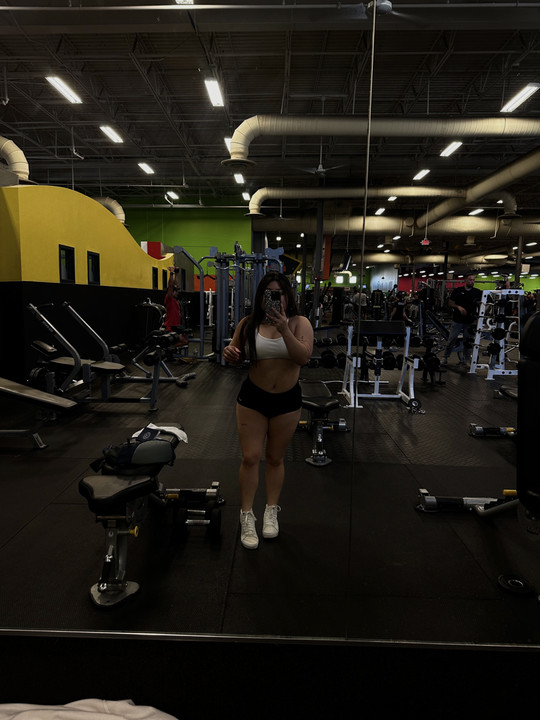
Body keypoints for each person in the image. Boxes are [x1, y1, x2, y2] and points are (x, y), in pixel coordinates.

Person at [222, 271, 314, 549]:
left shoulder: (299, 323)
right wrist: (230, 353)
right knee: (250, 457)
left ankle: (271, 511)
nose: (274, 298)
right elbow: (234, 354)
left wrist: (284, 328)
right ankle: (246, 515)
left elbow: (303, 357)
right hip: (253, 398)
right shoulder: (248, 323)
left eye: (279, 293)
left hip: (287, 400)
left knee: (275, 458)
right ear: (261, 297)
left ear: (287, 296)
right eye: (268, 293)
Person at [442, 273, 482, 366]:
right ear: (465, 280)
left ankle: (467, 360)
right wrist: (458, 307)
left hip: (470, 321)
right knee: (452, 339)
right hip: (458, 320)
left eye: (473, 280)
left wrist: (479, 317)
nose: (472, 282)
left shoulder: (477, 292)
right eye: (470, 280)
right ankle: (445, 358)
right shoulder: (457, 290)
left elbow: (484, 303)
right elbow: (450, 303)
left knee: (468, 341)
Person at [164, 266, 188, 347]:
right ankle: (169, 349)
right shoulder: (169, 298)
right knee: (184, 341)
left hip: (176, 326)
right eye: (176, 292)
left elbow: (176, 285)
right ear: (171, 292)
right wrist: (171, 273)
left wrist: (176, 274)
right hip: (170, 326)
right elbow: (171, 286)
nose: (177, 293)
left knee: (186, 341)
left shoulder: (175, 300)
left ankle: (171, 349)